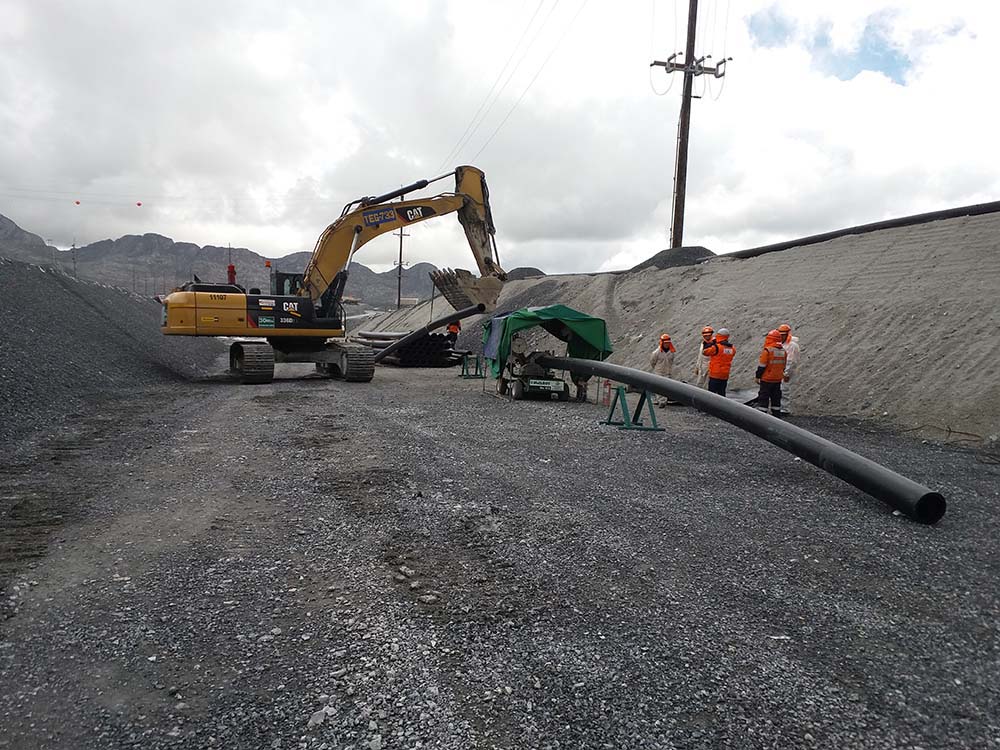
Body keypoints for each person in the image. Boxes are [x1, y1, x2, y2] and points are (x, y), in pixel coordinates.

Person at [755, 329, 788, 416]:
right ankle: (776, 415)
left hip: (767, 379)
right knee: (776, 398)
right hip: (777, 379)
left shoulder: (768, 351)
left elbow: (762, 366)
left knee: (764, 397)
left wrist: (757, 376)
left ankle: (762, 416)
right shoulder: (783, 351)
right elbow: (784, 366)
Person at [701, 327, 736, 397]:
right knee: (722, 393)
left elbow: (705, 352)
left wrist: (709, 344)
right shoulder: (732, 348)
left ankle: (709, 407)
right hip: (725, 374)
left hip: (715, 374)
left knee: (711, 395)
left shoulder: (716, 347)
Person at [649, 333, 675, 407]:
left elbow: (671, 361)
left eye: (668, 343)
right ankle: (661, 401)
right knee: (659, 387)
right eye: (665, 343)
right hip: (659, 372)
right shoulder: (656, 352)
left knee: (666, 387)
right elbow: (652, 362)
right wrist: (657, 369)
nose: (666, 344)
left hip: (668, 372)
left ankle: (664, 400)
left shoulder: (672, 352)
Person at [781, 334, 802, 414]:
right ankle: (781, 407)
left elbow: (791, 361)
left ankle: (784, 409)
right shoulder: (783, 344)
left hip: (787, 370)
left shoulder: (792, 346)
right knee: (781, 389)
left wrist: (786, 373)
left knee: (784, 389)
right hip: (782, 370)